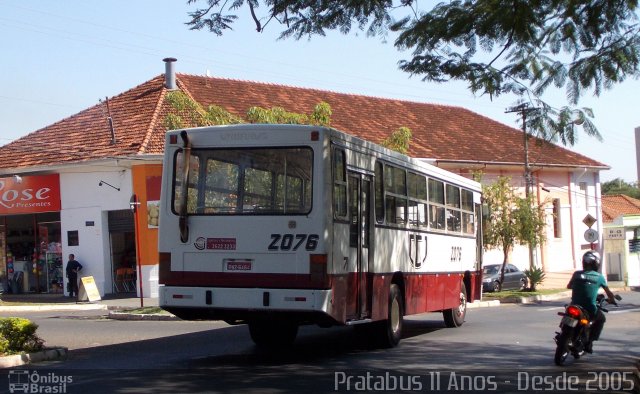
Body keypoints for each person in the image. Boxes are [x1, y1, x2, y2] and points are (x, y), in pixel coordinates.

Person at [566, 250, 615, 353]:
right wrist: (612, 300)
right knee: (601, 319)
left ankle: (567, 333)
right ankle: (590, 341)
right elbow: (609, 293)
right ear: (596, 263)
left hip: (574, 305)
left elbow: (569, 286)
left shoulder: (576, 274)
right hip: (589, 308)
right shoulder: (599, 277)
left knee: (567, 313)